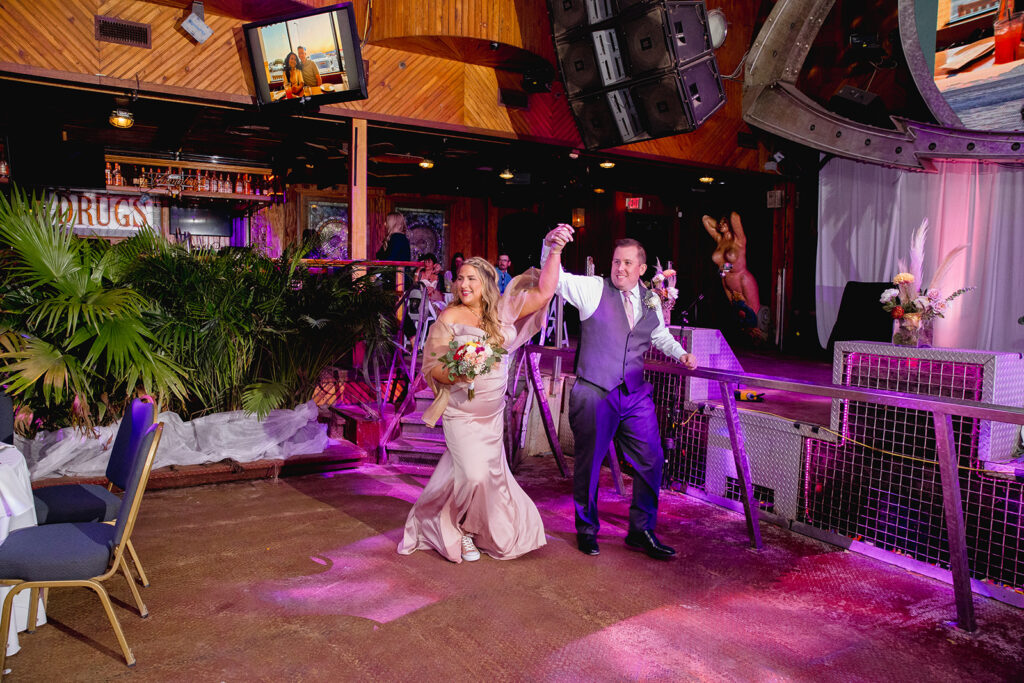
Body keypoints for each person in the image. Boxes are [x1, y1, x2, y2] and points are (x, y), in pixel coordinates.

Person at [398, 228, 571, 563]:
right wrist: (459, 372)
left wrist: (555, 249)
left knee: (475, 477)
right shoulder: (448, 317)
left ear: (488, 284)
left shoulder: (501, 312)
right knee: (474, 475)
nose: (464, 285)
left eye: (472, 280)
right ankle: (460, 531)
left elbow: (545, 290)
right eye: (460, 278)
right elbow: (431, 366)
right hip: (460, 413)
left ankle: (447, 522)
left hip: (492, 415)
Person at [542, 227, 698, 560]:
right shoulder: (594, 288)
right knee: (590, 465)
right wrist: (551, 249)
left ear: (642, 268)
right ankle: (586, 529)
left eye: (628, 263)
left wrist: (680, 354)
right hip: (595, 391)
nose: (620, 268)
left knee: (652, 461)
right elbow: (555, 281)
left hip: (634, 394)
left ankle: (641, 530)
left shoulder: (650, 298)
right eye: (616, 262)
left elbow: (658, 335)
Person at [703, 211, 761, 332]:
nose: (721, 224)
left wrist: (727, 219)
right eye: (720, 221)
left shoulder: (739, 240)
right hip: (727, 285)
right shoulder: (720, 240)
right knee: (740, 323)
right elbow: (705, 219)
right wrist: (721, 224)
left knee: (753, 324)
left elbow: (735, 216)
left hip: (743, 281)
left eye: (725, 222)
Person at [376, 211, 412, 288]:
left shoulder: (397, 238)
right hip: (395, 279)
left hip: (397, 281)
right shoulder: (396, 238)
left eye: (387, 221)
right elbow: (380, 255)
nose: (385, 224)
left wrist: (376, 274)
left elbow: (390, 259)